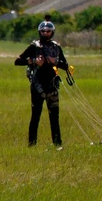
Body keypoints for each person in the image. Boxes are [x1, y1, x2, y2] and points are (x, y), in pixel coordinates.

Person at [14, 16, 72, 148]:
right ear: (39, 31)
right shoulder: (34, 47)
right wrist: (33, 61)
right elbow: (17, 61)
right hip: (37, 86)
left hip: (52, 86)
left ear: (52, 32)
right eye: (43, 31)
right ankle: (32, 144)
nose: (45, 33)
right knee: (35, 116)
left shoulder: (56, 47)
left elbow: (66, 65)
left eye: (48, 31)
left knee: (54, 116)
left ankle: (58, 144)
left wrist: (55, 61)